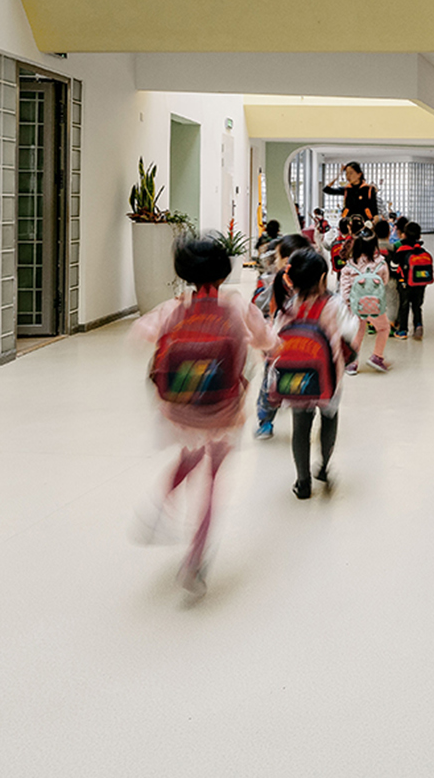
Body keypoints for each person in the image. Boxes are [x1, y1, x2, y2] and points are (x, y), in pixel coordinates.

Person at [130, 237, 275, 597]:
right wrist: (271, 346)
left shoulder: (175, 307)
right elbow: (264, 338)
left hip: (181, 410)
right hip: (223, 411)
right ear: (223, 272)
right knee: (212, 479)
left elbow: (141, 333)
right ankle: (194, 560)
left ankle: (160, 508)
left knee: (189, 457)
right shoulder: (236, 306)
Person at [269, 248, 356, 499]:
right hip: (330, 376)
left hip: (295, 378)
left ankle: (302, 481)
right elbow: (350, 331)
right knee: (329, 420)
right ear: (322, 278)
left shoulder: (287, 306)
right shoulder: (334, 305)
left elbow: (275, 339)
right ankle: (324, 467)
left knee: (300, 429)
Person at [254, 233, 309, 439]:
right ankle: (300, 422)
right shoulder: (312, 286)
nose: (275, 261)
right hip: (306, 346)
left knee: (270, 384)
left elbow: (259, 305)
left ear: (287, 261)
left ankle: (265, 422)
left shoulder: (276, 282)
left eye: (277, 257)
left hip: (277, 345)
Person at [340, 234, 392, 373]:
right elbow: (384, 282)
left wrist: (350, 304)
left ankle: (352, 364)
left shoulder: (349, 265)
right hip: (374, 305)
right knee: (383, 328)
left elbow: (345, 290)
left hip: (356, 305)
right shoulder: (381, 263)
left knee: (359, 332)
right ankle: (377, 356)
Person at [391, 221, 433, 340]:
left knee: (404, 306)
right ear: (419, 237)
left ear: (404, 235)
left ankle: (403, 330)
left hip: (404, 284)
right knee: (417, 306)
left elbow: (393, 266)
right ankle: (418, 325)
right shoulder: (422, 251)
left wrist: (396, 275)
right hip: (419, 284)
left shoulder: (401, 250)